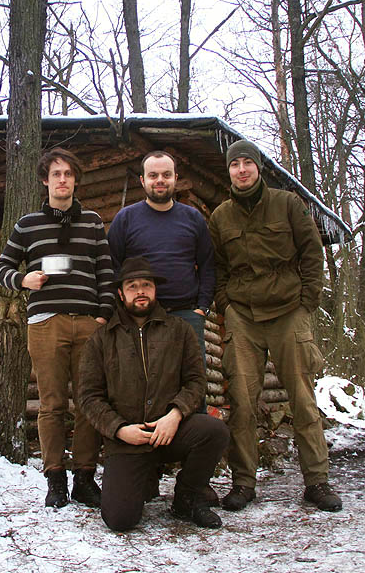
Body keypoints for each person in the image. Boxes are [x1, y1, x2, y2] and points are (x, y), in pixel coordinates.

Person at [209, 139, 342, 513]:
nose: (242, 171)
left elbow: (312, 253)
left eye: (247, 163)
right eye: (235, 165)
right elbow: (218, 267)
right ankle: (244, 483)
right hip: (243, 317)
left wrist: (307, 301)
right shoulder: (221, 216)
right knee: (242, 402)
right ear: (229, 171)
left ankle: (316, 481)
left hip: (288, 312)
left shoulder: (287, 204)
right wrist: (226, 304)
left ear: (258, 168)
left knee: (302, 399)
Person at [0, 147, 115, 509]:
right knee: (52, 404)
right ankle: (55, 479)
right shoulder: (27, 225)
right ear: (45, 181)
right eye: (56, 174)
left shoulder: (93, 222)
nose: (62, 180)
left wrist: (103, 315)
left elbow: (106, 273)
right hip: (45, 323)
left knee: (89, 403)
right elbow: (1, 267)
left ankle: (84, 478)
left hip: (88, 325)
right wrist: (22, 279)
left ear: (76, 181)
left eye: (68, 174)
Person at [78, 257, 229, 531]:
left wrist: (175, 414)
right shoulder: (101, 339)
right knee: (119, 520)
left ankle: (188, 497)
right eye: (132, 285)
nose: (140, 291)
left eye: (146, 284)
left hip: (171, 431)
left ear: (155, 290)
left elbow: (196, 381)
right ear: (121, 293)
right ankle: (144, 477)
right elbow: (89, 396)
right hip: (128, 438)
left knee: (214, 431)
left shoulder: (179, 330)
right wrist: (119, 429)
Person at [107, 151, 215, 369]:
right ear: (142, 180)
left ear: (175, 178)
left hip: (186, 314)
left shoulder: (193, 218)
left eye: (166, 175)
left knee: (192, 382)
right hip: (139, 316)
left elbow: (207, 265)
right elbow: (111, 266)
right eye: (153, 175)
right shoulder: (126, 219)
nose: (159, 180)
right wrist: (122, 309)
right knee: (141, 385)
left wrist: (202, 307)